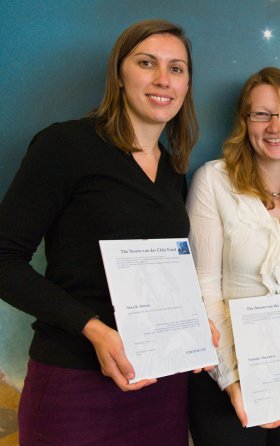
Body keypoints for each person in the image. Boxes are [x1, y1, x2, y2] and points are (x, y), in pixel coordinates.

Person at [0, 19, 214, 446]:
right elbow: (4, 260)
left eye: (176, 69)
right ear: (119, 74)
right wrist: (93, 329)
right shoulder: (65, 145)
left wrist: (192, 321)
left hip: (160, 385)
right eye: (146, 63)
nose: (162, 79)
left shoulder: (174, 171)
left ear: (188, 84)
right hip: (75, 382)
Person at [186, 67, 280, 446]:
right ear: (245, 121)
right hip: (226, 380)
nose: (276, 126)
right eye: (262, 114)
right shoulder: (213, 181)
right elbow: (203, 285)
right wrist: (233, 379)